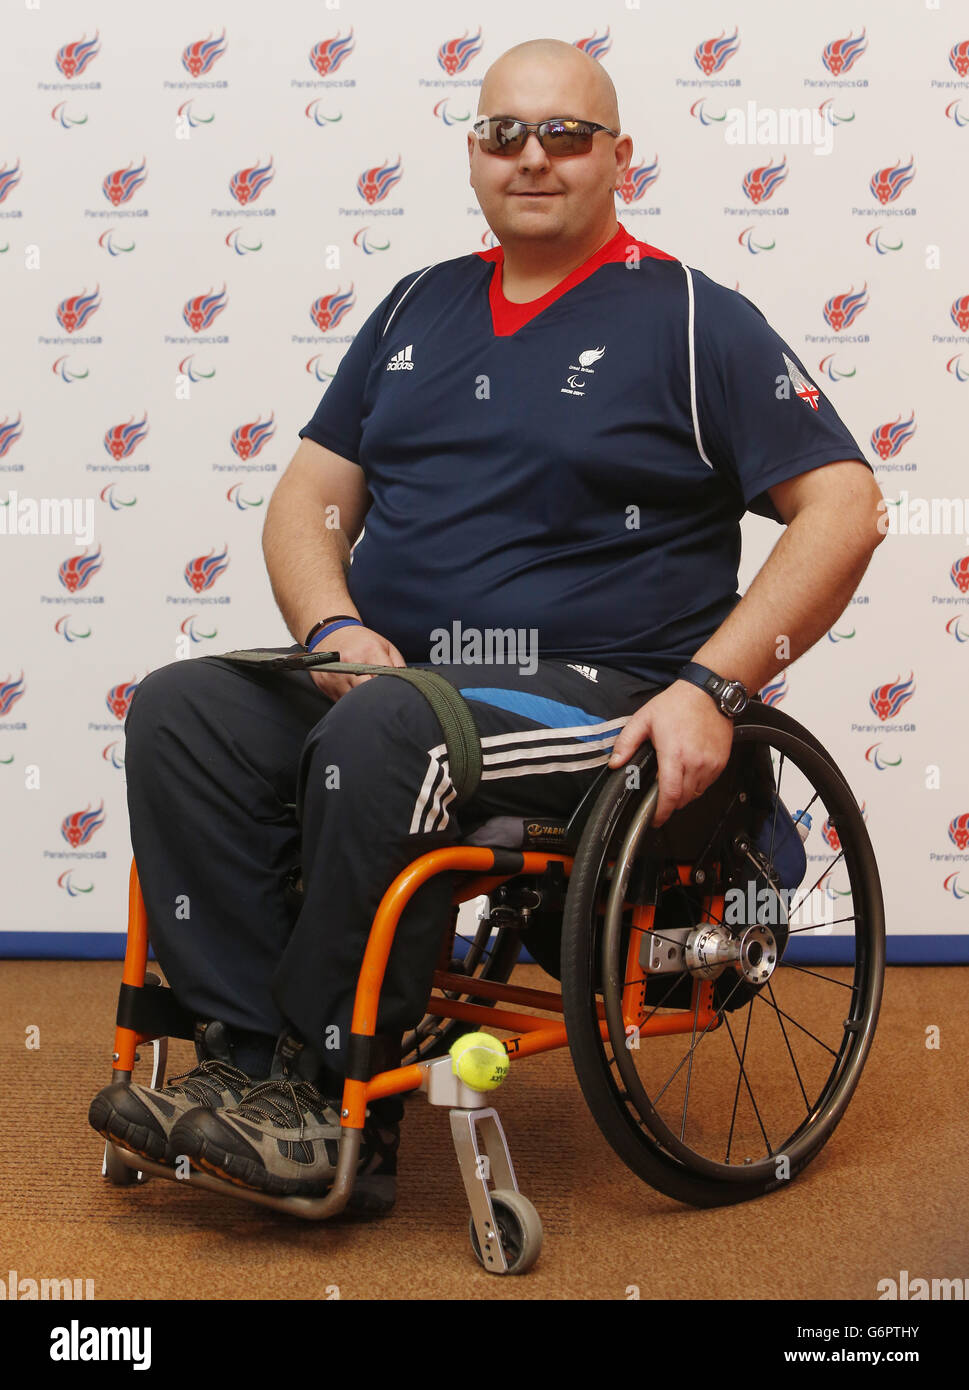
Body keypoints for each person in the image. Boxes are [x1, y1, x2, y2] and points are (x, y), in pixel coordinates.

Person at [88, 38, 885, 1214]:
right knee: (181, 709)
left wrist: (715, 688)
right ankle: (249, 1062)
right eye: (504, 132)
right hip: (405, 679)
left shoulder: (689, 318)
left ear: (620, 157)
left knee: (394, 732)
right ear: (472, 151)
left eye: (566, 134)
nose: (533, 156)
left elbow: (848, 506)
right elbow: (307, 501)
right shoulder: (416, 306)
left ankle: (329, 1095)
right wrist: (333, 625)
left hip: (598, 696)